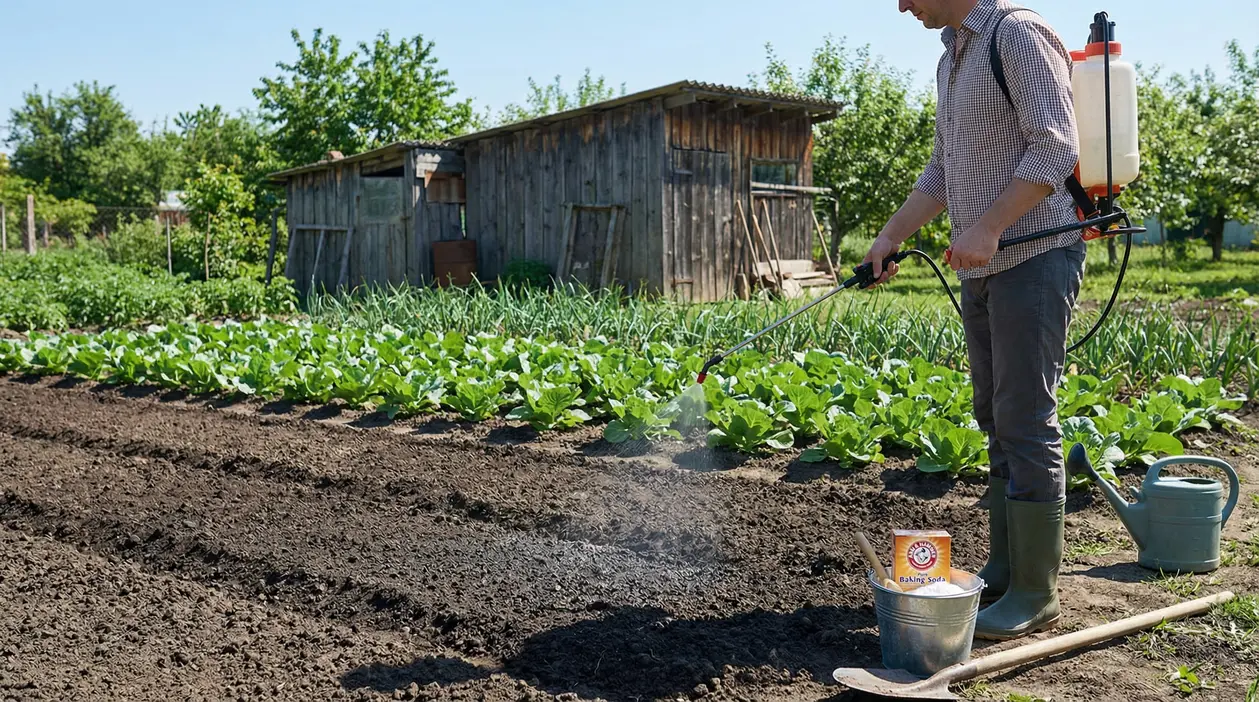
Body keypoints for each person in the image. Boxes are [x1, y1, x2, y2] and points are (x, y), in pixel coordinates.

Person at [864, 0, 1086, 641]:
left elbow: (1055, 147)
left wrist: (989, 226)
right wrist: (890, 237)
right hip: (982, 266)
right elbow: (943, 171)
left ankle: (1036, 592)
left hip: (1036, 253)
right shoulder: (951, 56)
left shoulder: (1017, 34)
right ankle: (1006, 567)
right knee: (993, 412)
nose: (901, 5)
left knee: (1024, 412)